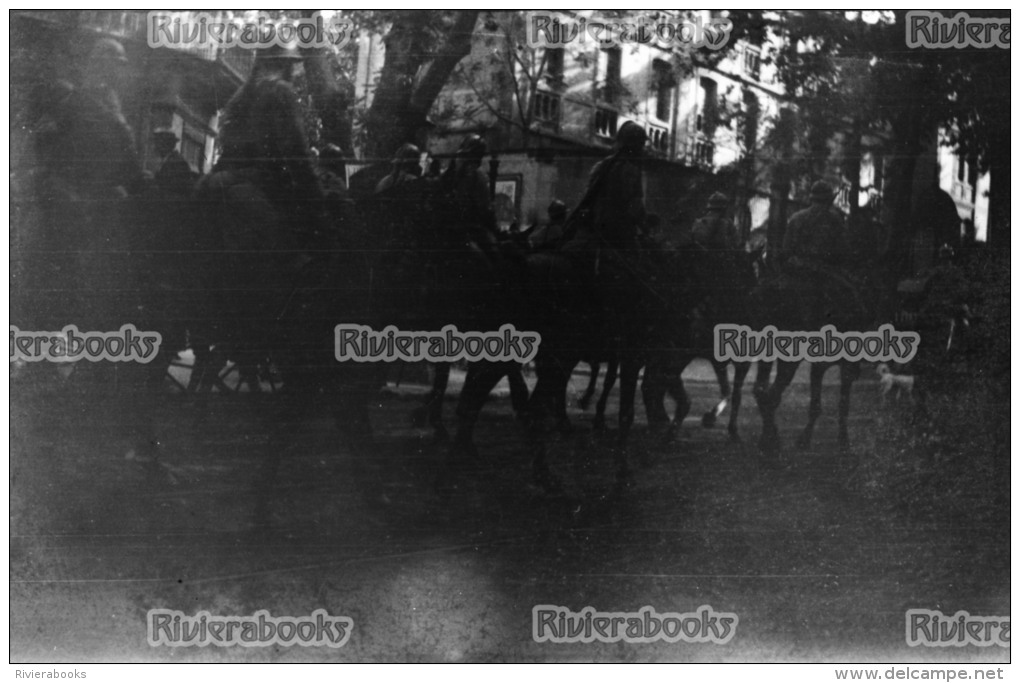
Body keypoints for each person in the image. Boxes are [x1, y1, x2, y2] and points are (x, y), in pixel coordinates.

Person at [151, 127, 194, 196]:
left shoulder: (177, 163)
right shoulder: (169, 160)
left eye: (157, 143)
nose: (154, 147)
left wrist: (153, 182)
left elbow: (174, 191)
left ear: (165, 145)